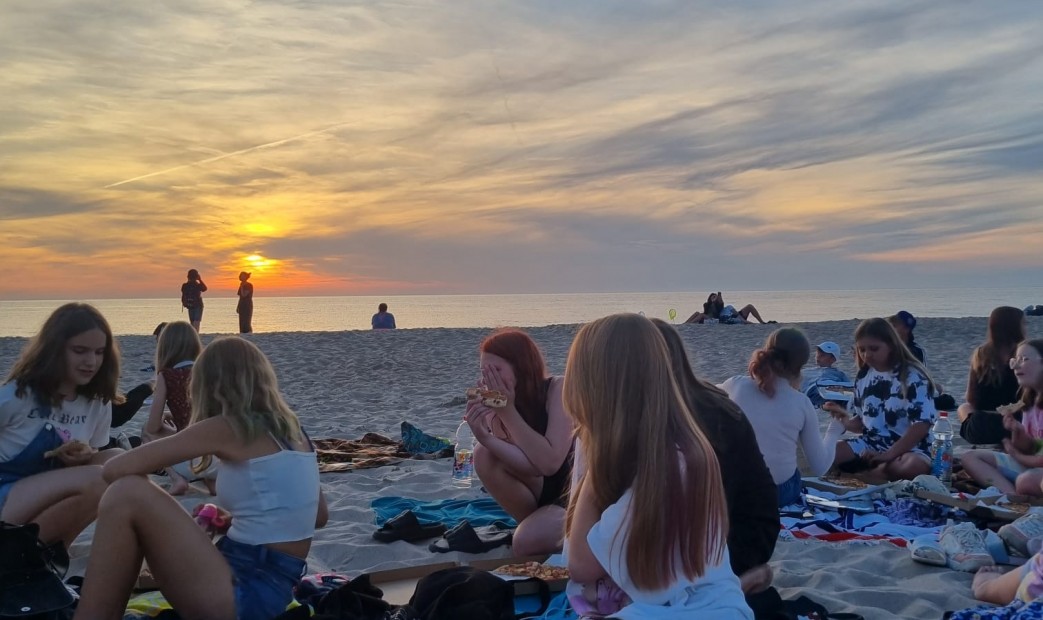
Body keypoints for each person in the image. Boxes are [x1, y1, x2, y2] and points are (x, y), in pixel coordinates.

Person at [73, 337, 329, 620]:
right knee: (129, 494)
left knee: (126, 492)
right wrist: (234, 521)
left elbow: (114, 470)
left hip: (241, 594)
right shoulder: (296, 432)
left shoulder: (228, 426)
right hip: (272, 594)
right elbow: (316, 516)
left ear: (207, 385)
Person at [562, 313, 752, 618]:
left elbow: (580, 565)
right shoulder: (680, 449)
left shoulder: (667, 467)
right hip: (711, 605)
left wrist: (594, 471)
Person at [651, 319, 779, 594]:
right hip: (743, 530)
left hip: (740, 539)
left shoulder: (699, 414)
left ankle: (733, 589)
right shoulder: (693, 397)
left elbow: (713, 509)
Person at [0, 302, 122, 549]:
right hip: (8, 491)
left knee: (118, 461)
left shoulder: (97, 402)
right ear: (55, 349)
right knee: (99, 478)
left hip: (51, 491)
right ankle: (24, 555)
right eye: (80, 350)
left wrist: (84, 457)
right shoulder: (18, 396)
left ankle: (49, 554)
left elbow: (96, 456)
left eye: (99, 352)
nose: (91, 361)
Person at [467, 329, 573, 556]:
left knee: (526, 542)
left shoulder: (558, 389)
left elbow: (549, 463)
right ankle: (533, 523)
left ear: (521, 367)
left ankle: (541, 529)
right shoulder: (491, 403)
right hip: (540, 490)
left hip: (572, 490)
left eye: (496, 370)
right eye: (484, 371)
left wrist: (507, 413)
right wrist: (485, 436)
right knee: (483, 453)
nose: (489, 379)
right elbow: (530, 468)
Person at [720, 328, 845, 506]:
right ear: (800, 365)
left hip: (730, 489)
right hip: (775, 494)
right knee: (794, 472)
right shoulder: (802, 402)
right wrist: (835, 429)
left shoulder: (735, 384)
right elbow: (819, 466)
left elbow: (709, 393)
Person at [826, 317, 939, 482]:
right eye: (862, 349)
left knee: (913, 466)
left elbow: (922, 425)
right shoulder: (864, 375)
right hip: (873, 444)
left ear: (891, 345)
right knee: (832, 453)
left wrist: (888, 455)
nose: (867, 355)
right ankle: (878, 472)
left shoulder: (912, 375)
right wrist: (844, 419)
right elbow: (866, 422)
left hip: (910, 449)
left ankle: (874, 473)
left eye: (874, 349)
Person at [959, 340, 1043, 496]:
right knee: (970, 458)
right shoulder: (1029, 404)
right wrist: (1018, 432)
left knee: (1026, 480)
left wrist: (1015, 454)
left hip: (1036, 470)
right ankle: (1011, 497)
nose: (1016, 366)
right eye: (1015, 361)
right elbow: (1033, 448)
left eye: (1024, 360)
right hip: (1030, 467)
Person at [140, 321, 207, 496]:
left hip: (191, 457)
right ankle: (211, 480)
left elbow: (153, 427)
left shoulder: (167, 376)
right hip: (218, 455)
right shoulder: (208, 370)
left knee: (147, 431)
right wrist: (176, 413)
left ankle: (176, 478)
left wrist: (164, 417)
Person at [958, 306, 1026, 444]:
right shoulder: (1025, 354)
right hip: (1016, 425)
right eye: (1024, 323)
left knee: (964, 407)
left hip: (982, 429)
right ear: (1015, 327)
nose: (1026, 327)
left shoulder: (981, 354)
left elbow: (971, 399)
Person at [800, 341, 853, 408]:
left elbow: (850, 388)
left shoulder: (838, 373)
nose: (818, 357)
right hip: (812, 392)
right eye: (817, 354)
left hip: (830, 389)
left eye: (822, 355)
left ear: (833, 359)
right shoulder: (806, 371)